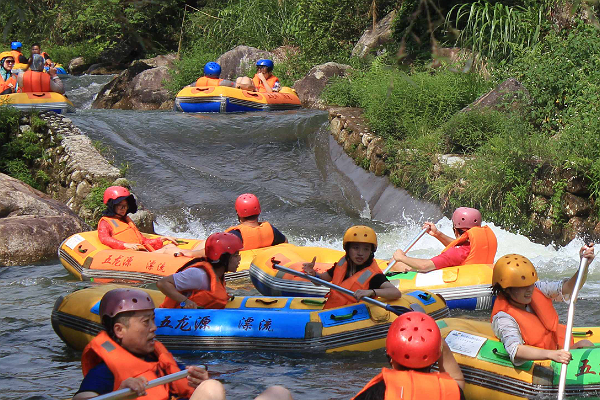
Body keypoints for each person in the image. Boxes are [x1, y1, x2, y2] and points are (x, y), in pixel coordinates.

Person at [73, 288, 293, 400]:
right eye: (145, 322)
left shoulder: (159, 358)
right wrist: (120, 394)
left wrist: (199, 381)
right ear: (120, 330)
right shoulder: (104, 372)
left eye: (153, 320)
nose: (153, 328)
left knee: (278, 393)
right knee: (212, 388)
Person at [491, 247, 595, 366]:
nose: (529, 290)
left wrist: (584, 266)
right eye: (522, 287)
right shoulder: (503, 318)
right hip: (540, 361)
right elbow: (516, 350)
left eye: (530, 284)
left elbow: (568, 288)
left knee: (586, 344)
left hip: (556, 351)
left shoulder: (537, 288)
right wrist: (551, 354)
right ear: (506, 290)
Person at [353, 311, 465, 400]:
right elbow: (457, 380)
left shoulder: (378, 391)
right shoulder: (451, 391)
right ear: (434, 359)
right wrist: (436, 339)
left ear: (391, 359)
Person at [302, 225, 402, 310]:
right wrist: (313, 274)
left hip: (354, 317)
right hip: (332, 312)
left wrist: (371, 291)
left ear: (371, 251)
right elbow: (320, 281)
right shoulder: (342, 264)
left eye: (366, 249)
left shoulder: (375, 276)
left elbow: (396, 293)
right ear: (348, 249)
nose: (360, 253)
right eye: (356, 248)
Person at [389, 207, 497, 273]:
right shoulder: (479, 245)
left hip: (457, 283)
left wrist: (401, 257)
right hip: (480, 278)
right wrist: (438, 234)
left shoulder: (455, 253)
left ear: (455, 229)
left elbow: (424, 266)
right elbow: (460, 246)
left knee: (393, 263)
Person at [157, 232, 242, 309]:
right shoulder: (198, 274)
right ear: (223, 258)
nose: (239, 258)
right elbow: (162, 283)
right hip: (174, 318)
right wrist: (185, 301)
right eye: (235, 255)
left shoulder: (218, 274)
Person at [97, 185, 180, 254]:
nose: (124, 209)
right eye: (120, 205)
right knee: (168, 250)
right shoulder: (105, 222)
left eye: (125, 206)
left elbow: (143, 241)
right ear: (112, 205)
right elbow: (105, 238)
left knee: (170, 246)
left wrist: (162, 239)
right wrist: (125, 245)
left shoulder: (126, 221)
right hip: (130, 255)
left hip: (141, 252)